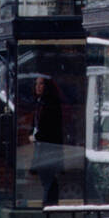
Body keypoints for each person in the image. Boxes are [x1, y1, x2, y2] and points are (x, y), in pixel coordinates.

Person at [29, 76, 64, 206]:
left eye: (41, 84)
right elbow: (36, 124)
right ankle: (50, 204)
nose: (38, 87)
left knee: (48, 178)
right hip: (41, 145)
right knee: (46, 178)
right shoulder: (40, 103)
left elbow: (50, 127)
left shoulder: (50, 104)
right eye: (36, 84)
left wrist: (36, 136)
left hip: (47, 146)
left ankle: (49, 205)